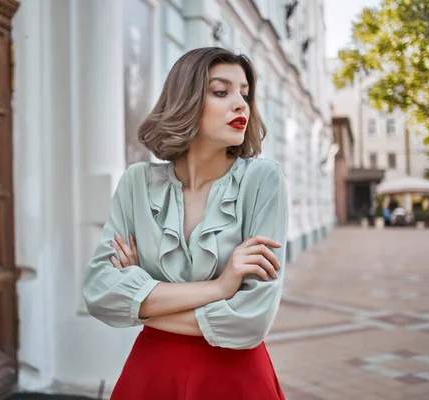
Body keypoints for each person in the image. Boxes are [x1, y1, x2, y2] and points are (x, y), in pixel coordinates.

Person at [82, 47, 288, 400]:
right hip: (152, 372)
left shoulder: (262, 180)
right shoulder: (136, 183)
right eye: (221, 92)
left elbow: (251, 320)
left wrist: (142, 302)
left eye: (245, 94)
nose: (241, 104)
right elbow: (100, 294)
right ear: (185, 99)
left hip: (235, 375)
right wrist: (222, 288)